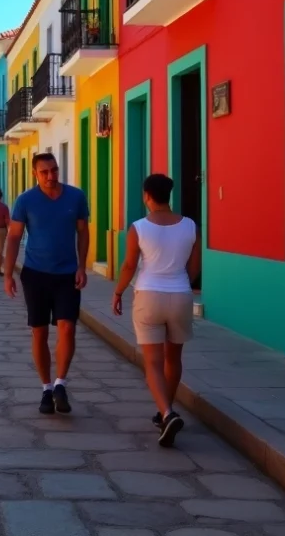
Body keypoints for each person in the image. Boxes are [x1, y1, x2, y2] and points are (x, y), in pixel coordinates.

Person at [112, 173, 200, 448]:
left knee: (152, 362)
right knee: (173, 358)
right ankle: (166, 411)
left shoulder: (139, 227)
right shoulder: (190, 225)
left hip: (149, 295)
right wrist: (182, 282)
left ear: (147, 195)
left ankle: (167, 412)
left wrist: (118, 292)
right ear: (168, 195)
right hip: (180, 295)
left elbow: (129, 266)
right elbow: (195, 268)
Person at [4, 152, 90, 415]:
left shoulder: (75, 196)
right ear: (35, 174)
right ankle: (46, 389)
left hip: (67, 274)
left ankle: (61, 383)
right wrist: (8, 274)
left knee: (67, 328)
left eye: (54, 170)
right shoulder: (25, 200)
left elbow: (83, 232)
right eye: (45, 172)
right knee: (39, 332)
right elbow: (14, 237)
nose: (51, 176)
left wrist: (82, 266)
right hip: (35, 274)